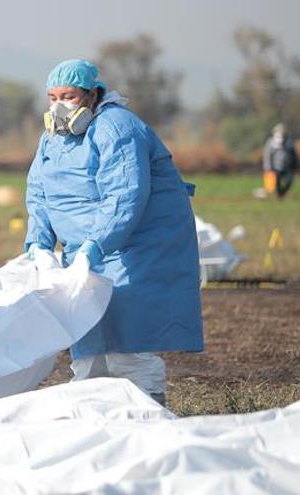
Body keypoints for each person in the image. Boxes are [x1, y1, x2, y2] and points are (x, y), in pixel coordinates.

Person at [24, 59, 203, 406]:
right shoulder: (51, 141)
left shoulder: (117, 129)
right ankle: (96, 422)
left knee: (128, 346)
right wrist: (39, 244)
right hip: (84, 252)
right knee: (89, 348)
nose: (59, 105)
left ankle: (148, 414)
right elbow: (40, 193)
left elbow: (124, 196)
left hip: (134, 249)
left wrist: (95, 246)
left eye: (69, 96)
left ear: (92, 96)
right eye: (52, 97)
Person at [261, 123, 297, 199]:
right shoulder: (271, 142)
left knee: (289, 180)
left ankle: (282, 192)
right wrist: (268, 167)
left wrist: (295, 165)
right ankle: (278, 195)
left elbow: (293, 154)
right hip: (276, 167)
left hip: (287, 166)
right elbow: (267, 155)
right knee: (277, 182)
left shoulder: (289, 141)